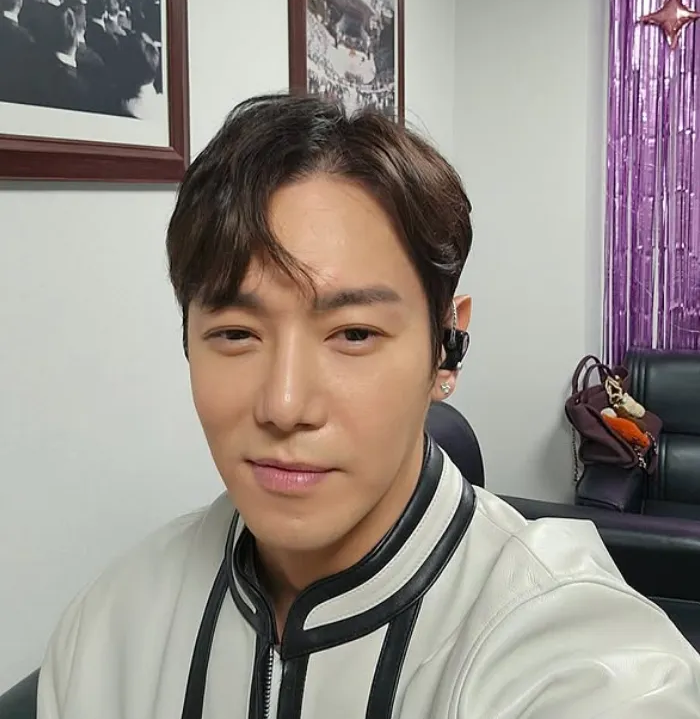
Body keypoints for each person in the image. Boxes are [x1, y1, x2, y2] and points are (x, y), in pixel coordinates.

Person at [37, 95, 700, 719]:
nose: (285, 405)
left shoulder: (570, 651)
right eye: (236, 333)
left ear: (446, 349)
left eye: (353, 333)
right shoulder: (109, 633)